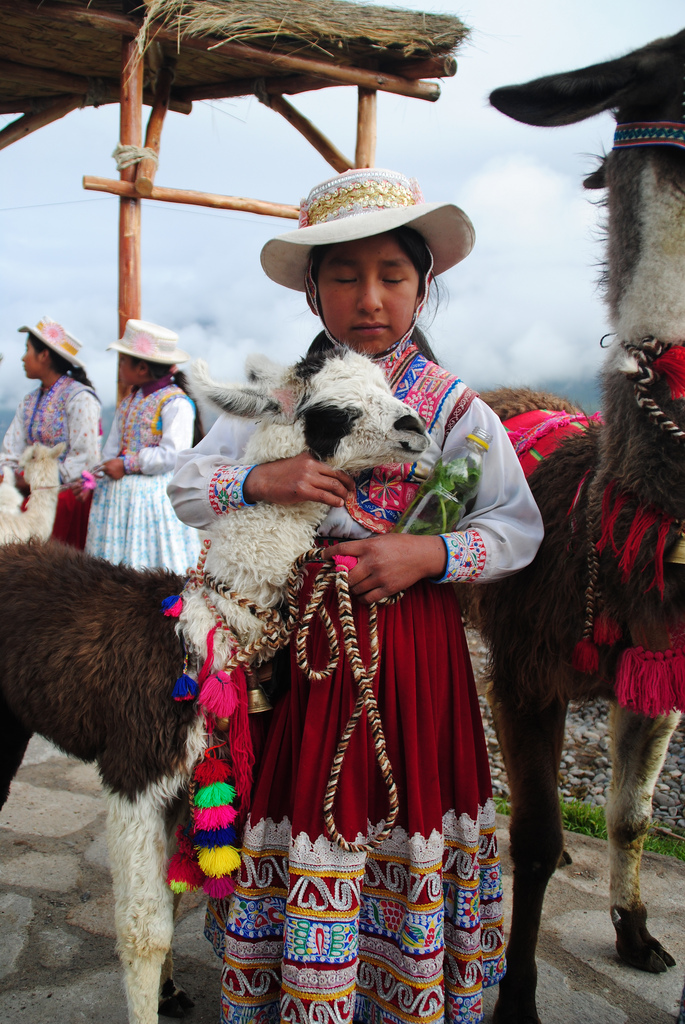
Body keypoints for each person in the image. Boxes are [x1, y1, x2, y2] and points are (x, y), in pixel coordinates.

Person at [169, 168, 544, 1024]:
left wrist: (429, 552)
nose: (368, 298)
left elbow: (517, 529)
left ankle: (389, 991)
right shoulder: (282, 398)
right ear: (313, 292)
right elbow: (187, 490)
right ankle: (294, 989)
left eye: (392, 276)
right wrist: (261, 477)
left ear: (423, 286)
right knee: (288, 803)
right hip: (287, 652)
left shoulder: (455, 411)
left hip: (409, 653)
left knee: (394, 808)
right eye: (343, 276)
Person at [85, 319, 200, 574]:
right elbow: (111, 448)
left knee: (152, 564)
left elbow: (172, 454)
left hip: (152, 500)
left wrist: (127, 465)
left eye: (123, 360)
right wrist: (96, 474)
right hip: (117, 500)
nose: (120, 366)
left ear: (141, 367)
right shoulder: (129, 401)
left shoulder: (175, 403)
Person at [1, 317, 101, 548]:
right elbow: (11, 448)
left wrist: (37, 483)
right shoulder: (30, 401)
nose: (23, 358)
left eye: (27, 350)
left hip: (63, 496)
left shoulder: (80, 399)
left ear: (44, 355)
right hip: (27, 490)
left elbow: (84, 458)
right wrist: (11, 477)